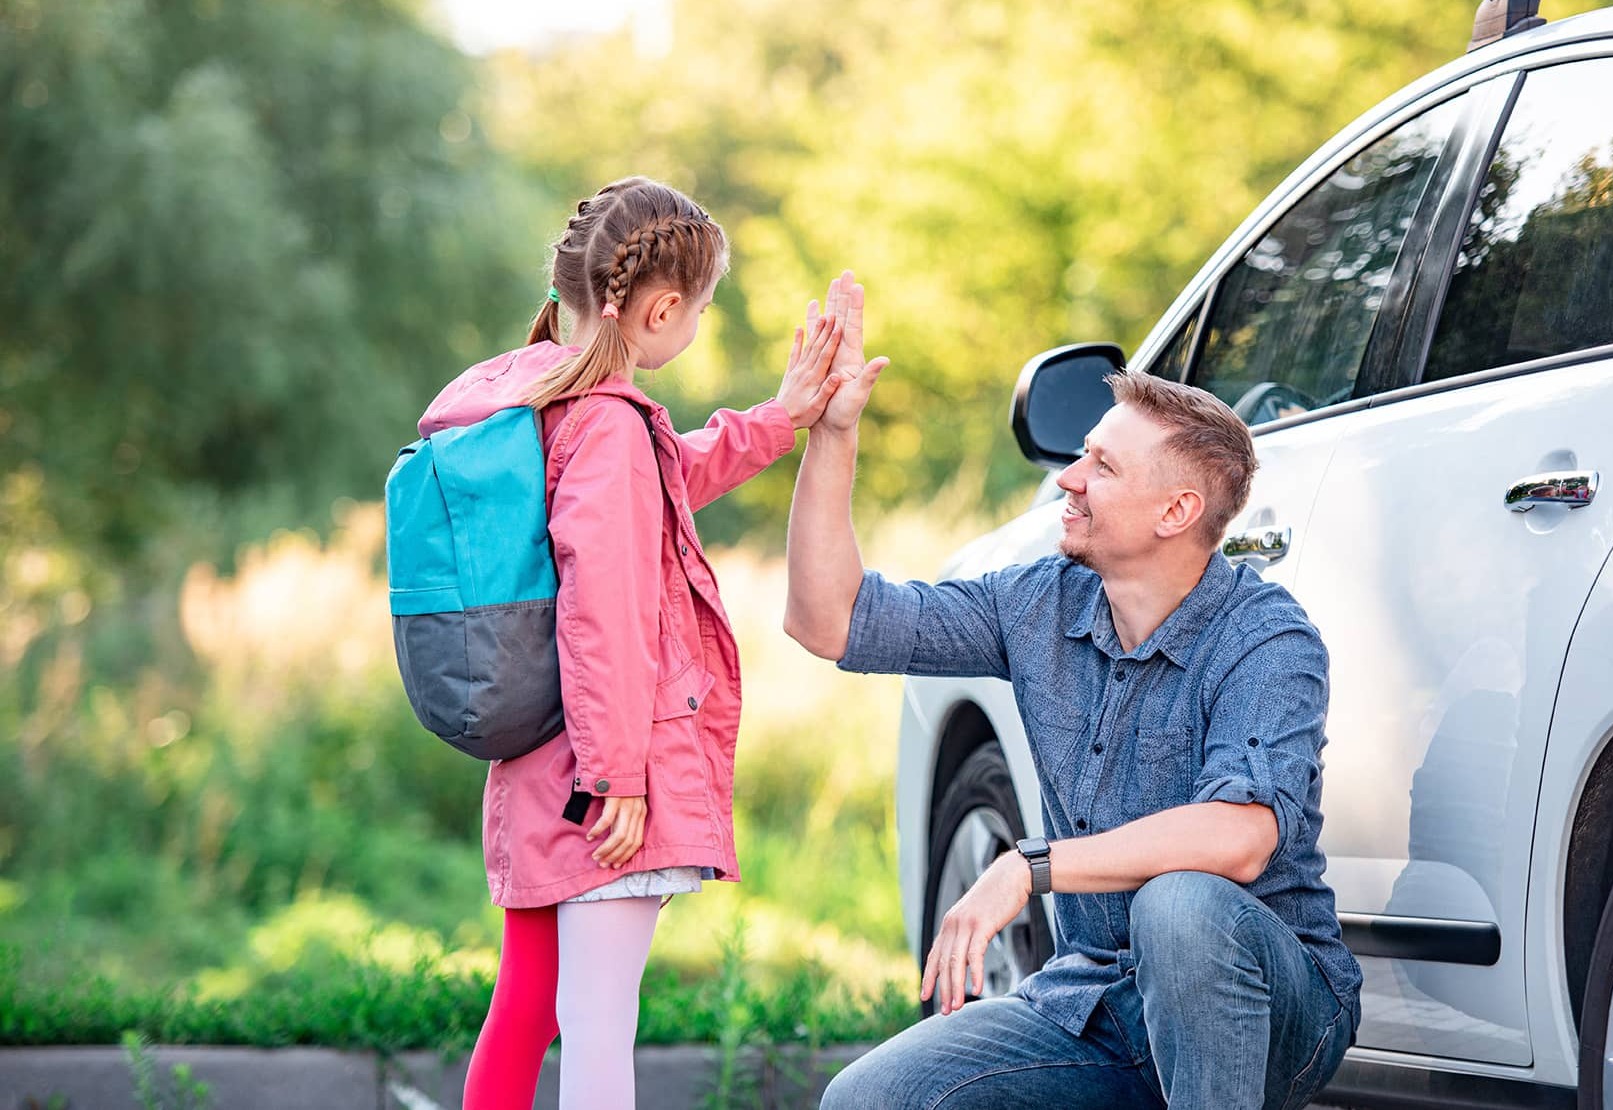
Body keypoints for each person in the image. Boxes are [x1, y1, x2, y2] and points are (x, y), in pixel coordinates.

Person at [785, 349, 1363, 1108]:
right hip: (1091, 1004)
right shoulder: (1040, 604)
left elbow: (1239, 837)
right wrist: (832, 436)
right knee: (868, 1099)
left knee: (1177, 905)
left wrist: (1030, 866)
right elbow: (828, 621)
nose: (1068, 478)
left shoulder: (1265, 640)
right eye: (1083, 455)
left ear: (1175, 512)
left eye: (1102, 466)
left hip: (1268, 1008)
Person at [416, 176, 854, 1110]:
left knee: (526, 1011)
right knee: (601, 1029)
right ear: (658, 308)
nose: (693, 328)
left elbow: (661, 487)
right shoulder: (605, 423)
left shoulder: (534, 405)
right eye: (696, 312)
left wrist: (778, 419)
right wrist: (617, 775)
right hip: (604, 782)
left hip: (536, 762)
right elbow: (604, 614)